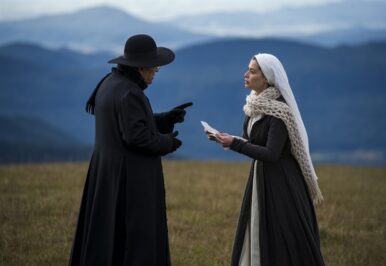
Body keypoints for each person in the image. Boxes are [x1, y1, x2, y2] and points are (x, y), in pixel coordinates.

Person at [70, 34, 192, 266]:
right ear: (141, 67)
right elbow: (136, 137)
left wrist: (165, 120)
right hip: (130, 180)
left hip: (108, 173)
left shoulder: (110, 82)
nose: (156, 71)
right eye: (154, 67)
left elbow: (125, 123)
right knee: (135, 239)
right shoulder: (131, 93)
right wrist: (167, 143)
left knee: (110, 235)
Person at [205, 53, 324, 265]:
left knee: (282, 239)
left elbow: (271, 153)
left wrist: (235, 143)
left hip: (282, 184)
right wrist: (225, 138)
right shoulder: (255, 105)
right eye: (248, 69)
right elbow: (254, 142)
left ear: (267, 78)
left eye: (252, 71)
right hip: (261, 179)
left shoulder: (279, 111)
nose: (246, 74)